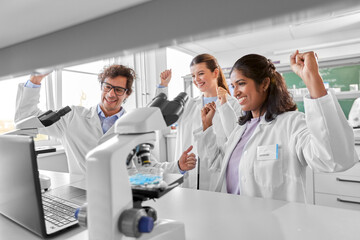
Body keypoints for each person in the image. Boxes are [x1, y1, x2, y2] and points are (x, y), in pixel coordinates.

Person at [195, 51, 357, 202]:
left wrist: (312, 79)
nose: (235, 92)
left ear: (264, 83)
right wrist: (207, 126)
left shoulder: (291, 124)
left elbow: (334, 159)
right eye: (233, 86)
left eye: (241, 83)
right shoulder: (240, 129)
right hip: (234, 222)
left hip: (276, 227)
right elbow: (216, 165)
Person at [14, 64, 197, 176]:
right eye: (107, 87)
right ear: (101, 87)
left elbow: (147, 166)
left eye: (118, 89)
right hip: (80, 193)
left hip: (120, 195)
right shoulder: (71, 116)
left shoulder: (136, 125)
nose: (111, 94)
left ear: (127, 94)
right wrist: (35, 80)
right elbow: (25, 120)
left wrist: (178, 166)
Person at [156, 54, 242, 190]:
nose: (196, 80)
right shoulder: (188, 104)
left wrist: (225, 105)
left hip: (216, 173)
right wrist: (163, 86)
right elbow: (159, 116)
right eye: (193, 76)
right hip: (188, 173)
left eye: (201, 73)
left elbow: (235, 138)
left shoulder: (233, 104)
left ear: (215, 72)